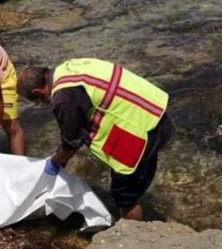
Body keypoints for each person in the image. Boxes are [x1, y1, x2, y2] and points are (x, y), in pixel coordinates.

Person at [17, 58, 174, 221]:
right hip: (153, 112)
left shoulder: (62, 97)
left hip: (140, 132)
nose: (42, 103)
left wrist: (54, 163)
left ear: (38, 92)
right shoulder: (69, 67)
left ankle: (133, 236)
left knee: (125, 198)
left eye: (38, 101)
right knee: (136, 181)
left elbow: (72, 142)